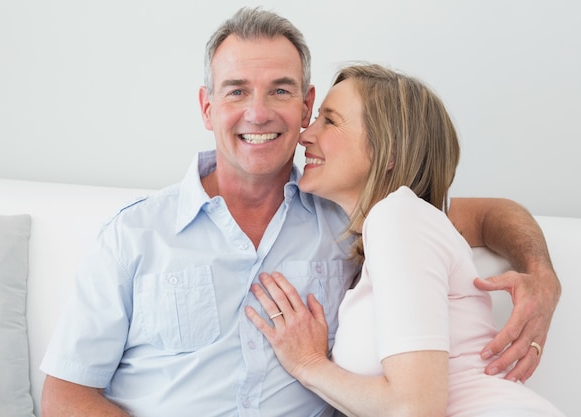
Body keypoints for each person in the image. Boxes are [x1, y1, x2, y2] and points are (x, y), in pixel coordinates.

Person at [40, 7, 560, 417]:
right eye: (236, 91)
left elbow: (491, 214)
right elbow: (63, 396)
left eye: (280, 91)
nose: (258, 112)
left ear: (306, 105)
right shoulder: (135, 234)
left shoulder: (361, 214)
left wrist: (541, 274)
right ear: (207, 108)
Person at [246, 63, 565, 416]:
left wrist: (308, 363)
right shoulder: (398, 225)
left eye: (330, 120)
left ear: (390, 150)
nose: (305, 134)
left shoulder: (397, 217)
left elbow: (414, 408)